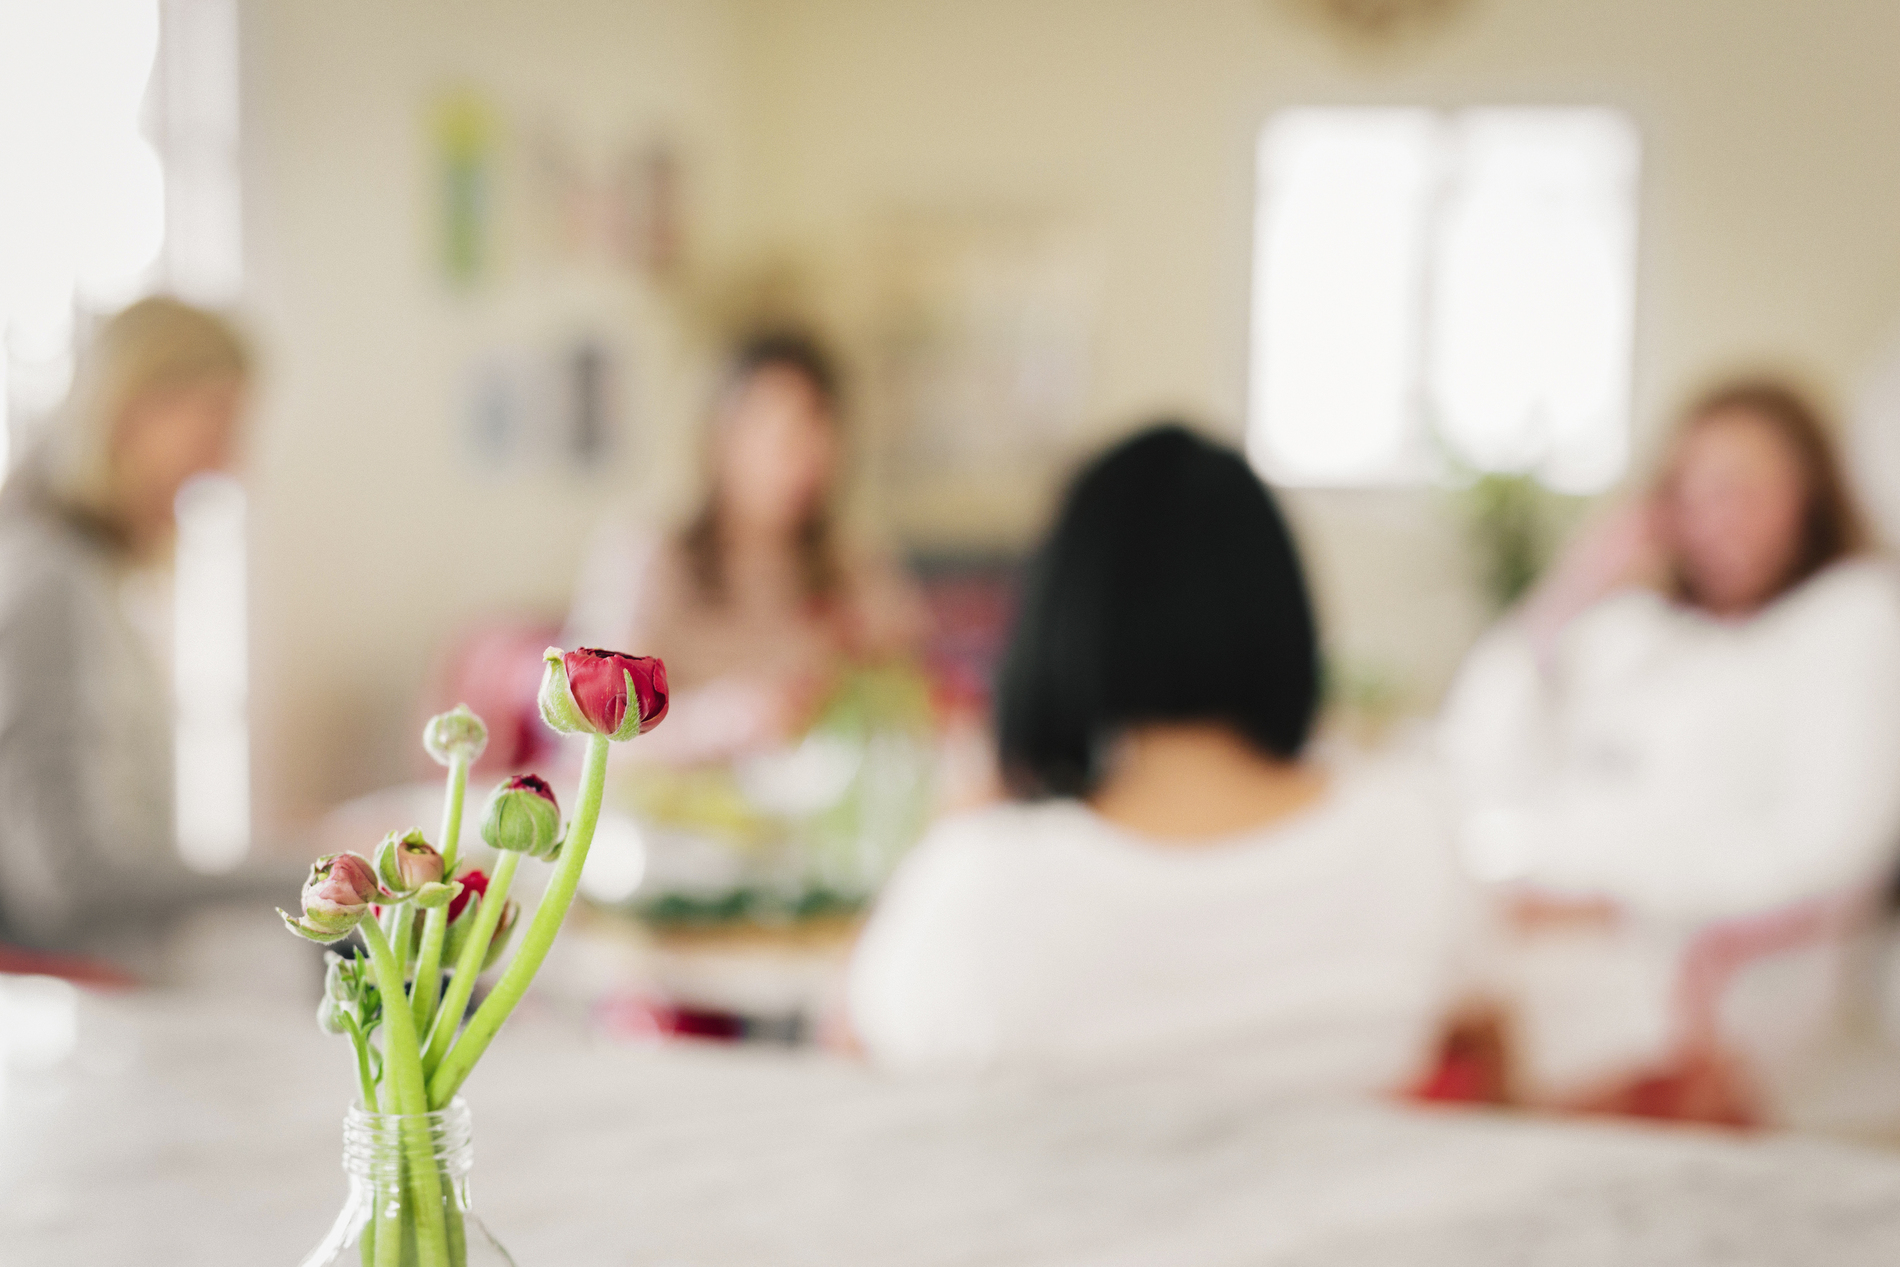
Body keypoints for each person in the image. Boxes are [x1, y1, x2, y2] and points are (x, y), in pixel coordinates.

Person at [849, 424, 1480, 1087]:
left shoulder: (987, 882)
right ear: (1283, 607)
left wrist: (958, 826)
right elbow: (1484, 1054)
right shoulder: (1413, 837)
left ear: (1065, 613)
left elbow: (864, 1048)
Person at [1440, 378, 1900, 1107]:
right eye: (1694, 491)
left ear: (1811, 494)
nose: (1718, 517)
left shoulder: (1853, 619)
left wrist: (1618, 903)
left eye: (1746, 488)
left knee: (1474, 1045)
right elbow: (1480, 755)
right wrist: (1572, 589)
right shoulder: (1634, 629)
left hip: (1713, 965)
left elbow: (1835, 851)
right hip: (1559, 923)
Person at [0, 297, 252, 956]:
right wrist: (320, 872)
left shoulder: (82, 573)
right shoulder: (50, 584)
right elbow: (73, 878)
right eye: (217, 424)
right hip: (80, 1002)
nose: (230, 464)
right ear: (135, 409)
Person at [564, 331, 924, 764]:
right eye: (777, 430)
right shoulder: (649, 556)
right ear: (718, 437)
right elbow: (585, 737)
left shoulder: (854, 565)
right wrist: (722, 721)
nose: (804, 454)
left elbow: (915, 700)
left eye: (817, 427)